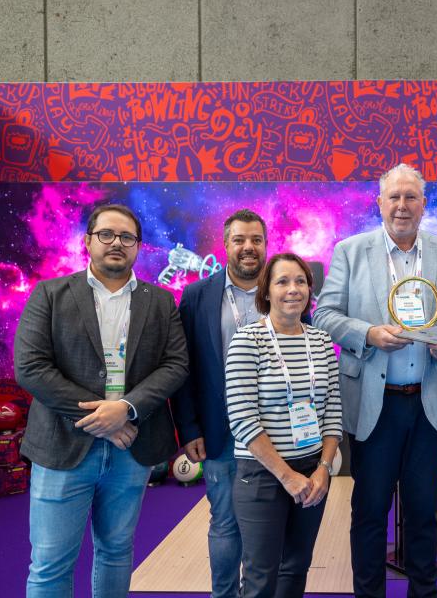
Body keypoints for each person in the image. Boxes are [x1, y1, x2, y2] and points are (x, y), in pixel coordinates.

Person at [314, 163, 437, 598]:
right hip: (373, 402)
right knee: (368, 512)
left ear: (424, 204)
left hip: (427, 401)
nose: (402, 205)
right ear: (379, 203)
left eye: (411, 197)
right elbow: (324, 315)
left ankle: (425, 592)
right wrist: (368, 334)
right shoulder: (351, 250)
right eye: (394, 197)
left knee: (425, 511)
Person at [14, 203, 188, 598]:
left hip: (131, 448)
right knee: (50, 563)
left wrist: (125, 410)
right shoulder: (51, 294)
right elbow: (31, 367)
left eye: (127, 237)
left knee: (116, 552)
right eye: (106, 234)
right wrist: (103, 417)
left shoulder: (160, 302)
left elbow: (176, 365)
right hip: (63, 446)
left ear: (138, 247)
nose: (116, 243)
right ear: (87, 241)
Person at [226, 253, 342, 598]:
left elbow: (333, 413)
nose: (294, 289)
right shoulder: (248, 340)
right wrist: (287, 476)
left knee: (296, 568)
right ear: (266, 291)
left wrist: (323, 469)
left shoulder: (321, 342)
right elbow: (243, 419)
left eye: (301, 281)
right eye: (282, 281)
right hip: (262, 474)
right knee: (261, 575)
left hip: (312, 471)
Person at [171, 209, 268, 598]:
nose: (248, 247)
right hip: (220, 431)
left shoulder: (283, 290)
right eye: (239, 240)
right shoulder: (197, 295)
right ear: (226, 245)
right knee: (225, 522)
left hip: (276, 430)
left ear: (265, 244)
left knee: (268, 524)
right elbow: (183, 366)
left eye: (256, 240)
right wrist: (189, 427)